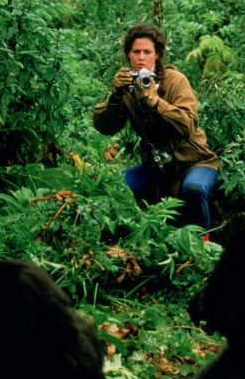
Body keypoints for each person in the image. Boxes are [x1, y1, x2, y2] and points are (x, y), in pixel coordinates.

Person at [93, 23, 219, 231]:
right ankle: (132, 236)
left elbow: (187, 125)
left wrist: (153, 100)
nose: (141, 57)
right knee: (114, 185)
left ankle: (204, 246)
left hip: (195, 162)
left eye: (147, 52)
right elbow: (105, 127)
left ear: (157, 55)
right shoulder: (127, 84)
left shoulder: (175, 80)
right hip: (157, 166)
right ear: (128, 55)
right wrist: (116, 96)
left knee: (194, 188)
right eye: (136, 52)